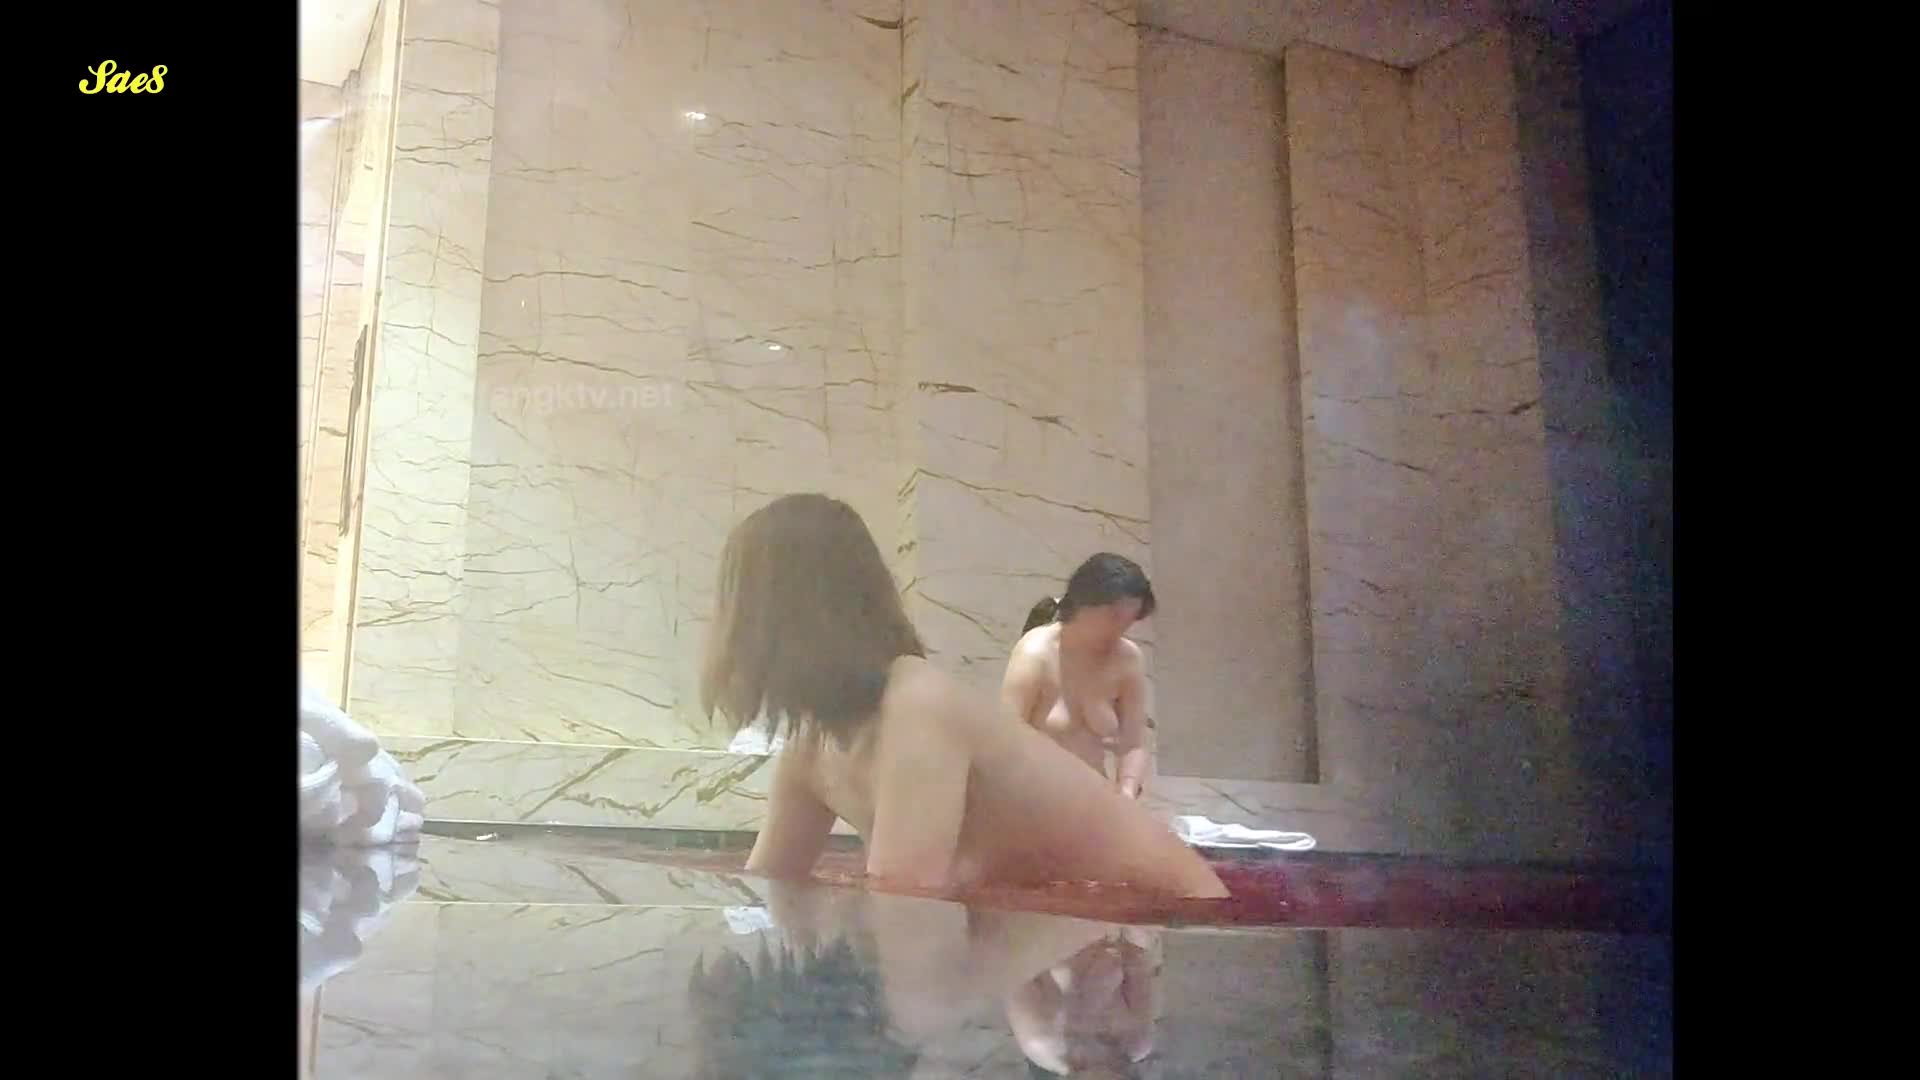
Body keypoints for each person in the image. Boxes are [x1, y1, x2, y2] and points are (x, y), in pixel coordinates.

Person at [701, 494, 1226, 900]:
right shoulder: (814, 745)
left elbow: (903, 912)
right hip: (1087, 920)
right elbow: (767, 888)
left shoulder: (916, 704)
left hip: (1177, 913)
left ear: (773, 617)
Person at [1004, 554, 1156, 800]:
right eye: (1113, 618)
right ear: (1084, 604)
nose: (1118, 630)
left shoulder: (1128, 658)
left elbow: (1133, 743)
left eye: (1128, 622)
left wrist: (1126, 791)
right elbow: (1004, 738)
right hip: (1035, 797)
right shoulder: (1036, 653)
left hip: (1094, 798)